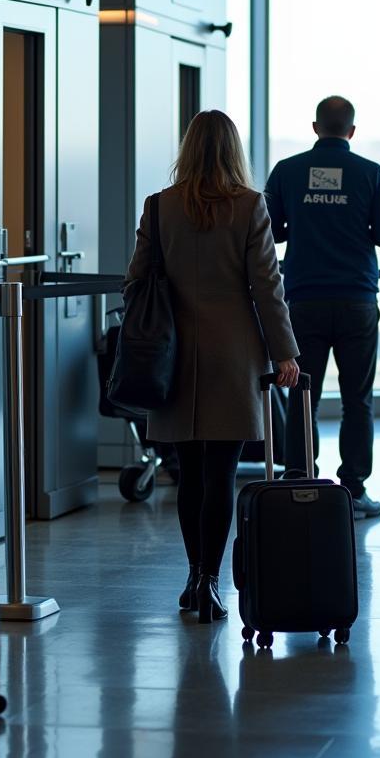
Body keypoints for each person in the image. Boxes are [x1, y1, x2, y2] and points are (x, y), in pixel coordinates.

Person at [125, 111, 299, 624]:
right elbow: (267, 286)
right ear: (233, 151)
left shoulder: (160, 208)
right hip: (233, 354)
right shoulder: (250, 207)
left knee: (189, 472)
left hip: (171, 356)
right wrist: (284, 351)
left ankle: (193, 575)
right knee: (221, 471)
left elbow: (135, 282)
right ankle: (211, 582)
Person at [264, 95, 380, 518]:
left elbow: (271, 230)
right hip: (357, 300)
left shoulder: (288, 171)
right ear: (352, 131)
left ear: (315, 127)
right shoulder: (370, 173)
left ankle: (300, 480)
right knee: (357, 398)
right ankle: (355, 489)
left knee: (304, 393)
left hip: (304, 300)